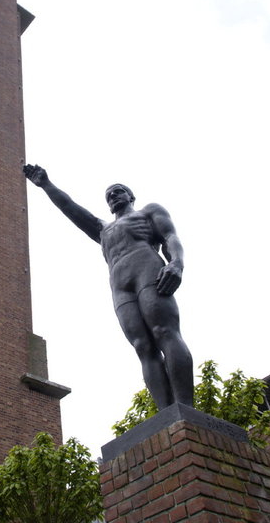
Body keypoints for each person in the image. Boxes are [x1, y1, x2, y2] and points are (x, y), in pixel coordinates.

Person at [23, 164, 193, 409]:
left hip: (148, 270)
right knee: (142, 346)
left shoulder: (148, 212)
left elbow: (170, 237)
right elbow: (70, 208)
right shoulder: (103, 229)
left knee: (164, 332)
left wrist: (176, 263)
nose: (113, 196)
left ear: (130, 196)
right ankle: (167, 415)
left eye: (118, 191)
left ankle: (186, 408)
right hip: (120, 285)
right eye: (109, 195)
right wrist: (46, 185)